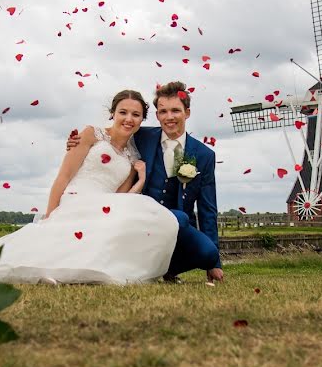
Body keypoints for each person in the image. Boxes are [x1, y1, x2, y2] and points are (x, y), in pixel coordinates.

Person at [0, 90, 179, 285]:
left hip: (104, 206)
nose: (128, 119)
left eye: (136, 114)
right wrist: (50, 214)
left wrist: (140, 180)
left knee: (152, 217)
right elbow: (64, 176)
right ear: (112, 113)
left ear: (142, 119)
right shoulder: (90, 134)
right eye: (123, 112)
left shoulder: (134, 155)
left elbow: (120, 198)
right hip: (76, 197)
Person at [69, 81, 222, 283]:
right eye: (163, 111)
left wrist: (215, 265)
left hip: (178, 230)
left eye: (175, 110)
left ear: (187, 113)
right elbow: (109, 137)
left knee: (207, 252)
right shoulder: (141, 136)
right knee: (179, 217)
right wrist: (77, 142)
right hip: (140, 220)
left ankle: (162, 271)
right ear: (157, 115)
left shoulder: (204, 155)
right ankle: (144, 269)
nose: (169, 117)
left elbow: (207, 209)